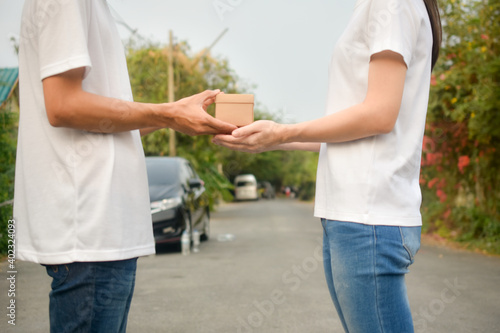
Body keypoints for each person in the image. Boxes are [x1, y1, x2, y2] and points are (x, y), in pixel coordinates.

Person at [213, 0, 442, 331]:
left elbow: (379, 114)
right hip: (351, 217)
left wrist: (283, 131)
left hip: (368, 218)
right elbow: (352, 129)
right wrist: (270, 138)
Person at [14, 1, 236, 332]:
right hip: (89, 229)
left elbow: (105, 122)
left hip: (102, 230)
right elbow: (63, 105)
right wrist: (168, 113)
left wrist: (174, 115)